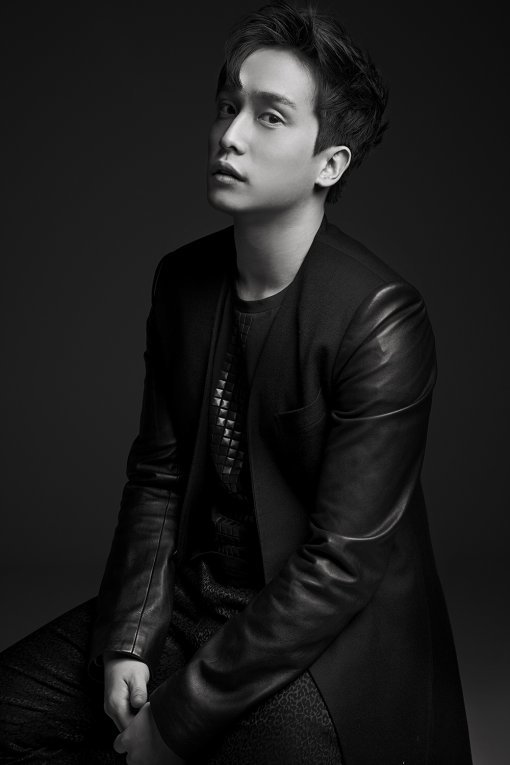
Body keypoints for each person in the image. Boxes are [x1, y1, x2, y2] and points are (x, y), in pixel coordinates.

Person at [0, 2, 473, 763]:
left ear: (329, 164)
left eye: (270, 116)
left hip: (322, 640)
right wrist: (129, 638)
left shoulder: (380, 316)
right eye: (228, 107)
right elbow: (157, 476)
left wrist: (177, 718)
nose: (230, 134)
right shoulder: (181, 282)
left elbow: (340, 564)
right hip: (195, 601)